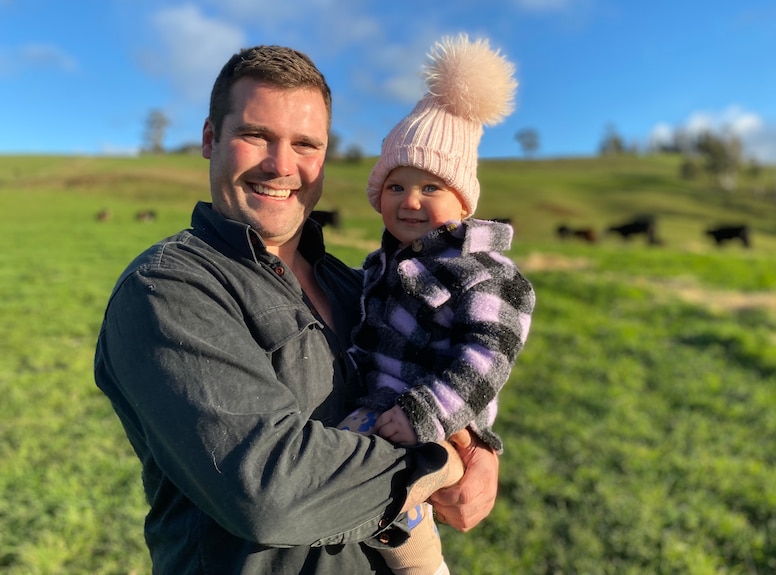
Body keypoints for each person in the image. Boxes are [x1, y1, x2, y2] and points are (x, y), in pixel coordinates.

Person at [93, 44, 499, 574]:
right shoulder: (168, 289)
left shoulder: (358, 285)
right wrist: (438, 462)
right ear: (211, 139)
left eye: (305, 144)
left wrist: (482, 450)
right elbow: (268, 491)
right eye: (255, 135)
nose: (281, 165)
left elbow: (444, 367)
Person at [338, 35, 535, 575]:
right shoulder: (381, 265)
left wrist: (428, 414)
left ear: (464, 200)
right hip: (380, 407)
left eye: (431, 186)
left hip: (437, 419)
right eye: (396, 185)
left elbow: (486, 360)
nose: (411, 200)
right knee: (349, 480)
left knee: (399, 518)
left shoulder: (486, 274)